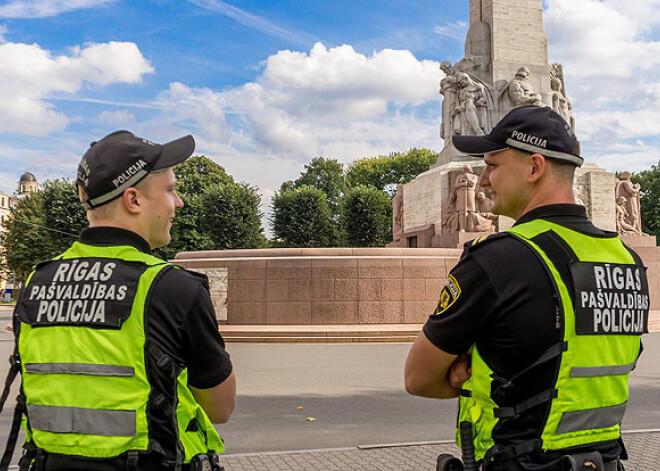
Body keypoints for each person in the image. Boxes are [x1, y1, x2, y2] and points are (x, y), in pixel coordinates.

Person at [405, 106, 649, 471]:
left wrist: (469, 368)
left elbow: (418, 378)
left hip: (517, 460)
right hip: (605, 461)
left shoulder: (499, 259)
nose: (484, 179)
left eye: (493, 165)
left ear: (535, 168)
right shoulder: (626, 260)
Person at [3, 131, 236, 470]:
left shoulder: (37, 281)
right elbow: (220, 408)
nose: (179, 202)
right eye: (170, 190)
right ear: (134, 200)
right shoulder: (172, 288)